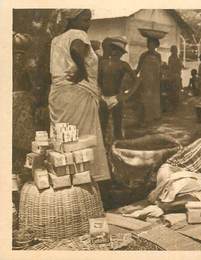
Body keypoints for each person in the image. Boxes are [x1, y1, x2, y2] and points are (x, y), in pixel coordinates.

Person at [48, 9, 111, 184]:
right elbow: (76, 49)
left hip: (58, 94)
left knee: (62, 138)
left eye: (89, 20)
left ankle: (62, 178)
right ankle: (87, 179)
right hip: (77, 94)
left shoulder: (56, 39)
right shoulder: (78, 34)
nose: (87, 24)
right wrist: (82, 72)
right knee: (84, 139)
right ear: (73, 19)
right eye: (84, 20)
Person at [98, 37, 139, 142]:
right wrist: (99, 94)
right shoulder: (102, 63)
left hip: (116, 98)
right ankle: (104, 152)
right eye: (113, 49)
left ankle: (119, 148)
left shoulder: (123, 65)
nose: (115, 52)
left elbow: (137, 80)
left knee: (118, 126)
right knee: (102, 126)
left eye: (118, 51)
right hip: (103, 98)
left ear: (121, 53)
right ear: (111, 50)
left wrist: (127, 95)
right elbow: (97, 80)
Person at [12, 33, 35, 176]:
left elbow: (30, 86)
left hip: (24, 103)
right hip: (13, 102)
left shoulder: (26, 70)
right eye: (16, 55)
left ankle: (21, 166)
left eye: (21, 55)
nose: (18, 58)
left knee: (23, 136)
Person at [135, 37, 162, 124]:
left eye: (153, 44)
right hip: (145, 80)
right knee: (146, 98)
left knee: (155, 97)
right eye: (149, 44)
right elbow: (138, 67)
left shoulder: (158, 55)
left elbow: (160, 68)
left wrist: (160, 77)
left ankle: (155, 116)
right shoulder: (143, 55)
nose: (151, 46)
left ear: (156, 45)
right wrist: (133, 75)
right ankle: (147, 118)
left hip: (155, 80)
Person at [168, 45, 184, 111]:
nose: (175, 52)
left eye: (176, 50)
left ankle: (176, 104)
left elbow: (181, 66)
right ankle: (174, 104)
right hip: (173, 75)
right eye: (174, 50)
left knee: (177, 90)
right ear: (172, 51)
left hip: (177, 75)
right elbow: (171, 67)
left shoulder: (177, 58)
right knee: (173, 90)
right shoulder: (172, 58)